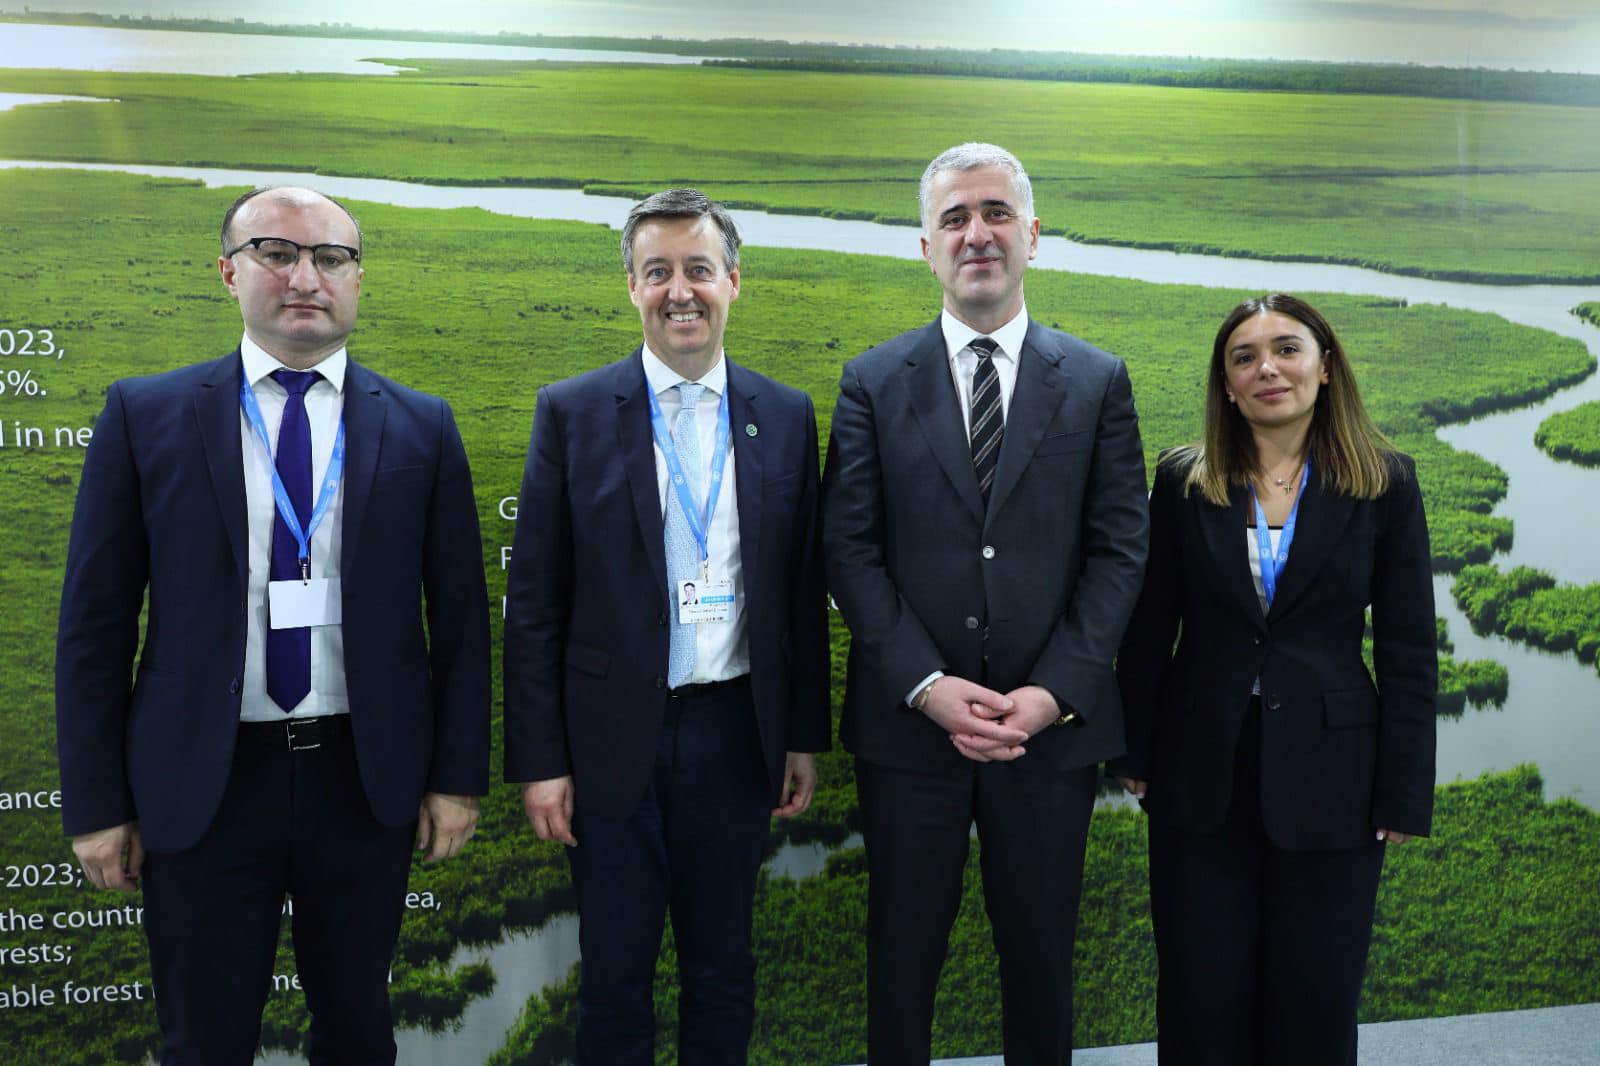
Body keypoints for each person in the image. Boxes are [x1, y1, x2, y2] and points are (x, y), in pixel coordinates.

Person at [55, 186, 491, 1065]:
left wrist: (456, 780)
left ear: (358, 278)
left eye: (331, 258)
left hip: (361, 783)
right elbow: (94, 628)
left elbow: (460, 623)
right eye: (276, 253)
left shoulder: (422, 425)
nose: (305, 278)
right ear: (229, 272)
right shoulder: (145, 415)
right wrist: (98, 805)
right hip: (204, 785)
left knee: (358, 1035)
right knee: (204, 1042)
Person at [822, 143, 1149, 1064]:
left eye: (997, 213)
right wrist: (928, 685)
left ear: (1032, 236)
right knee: (900, 961)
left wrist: (1052, 694)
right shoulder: (872, 382)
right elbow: (849, 551)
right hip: (909, 734)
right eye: (955, 218)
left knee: (1041, 962)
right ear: (925, 246)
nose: (977, 234)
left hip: (1050, 735)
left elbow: (1120, 551)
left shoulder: (1097, 380)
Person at [503, 187, 829, 1065]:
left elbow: (800, 594)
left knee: (723, 970)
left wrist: (801, 735)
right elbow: (534, 604)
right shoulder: (571, 411)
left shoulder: (785, 414)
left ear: (733, 281)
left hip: (736, 735)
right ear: (632, 287)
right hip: (610, 742)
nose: (679, 291)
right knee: (615, 978)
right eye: (657, 273)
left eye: (698, 269)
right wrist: (541, 761)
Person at [1112, 294, 1437, 1065]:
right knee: (1201, 987)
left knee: (1316, 991)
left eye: (1287, 350)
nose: (1268, 369)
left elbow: (1408, 649)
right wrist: (1135, 752)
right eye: (1245, 357)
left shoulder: (1385, 481)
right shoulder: (1184, 480)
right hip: (1199, 767)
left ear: (1325, 369)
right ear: (1227, 385)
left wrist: (1402, 790)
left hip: (1337, 774)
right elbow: (1151, 628)